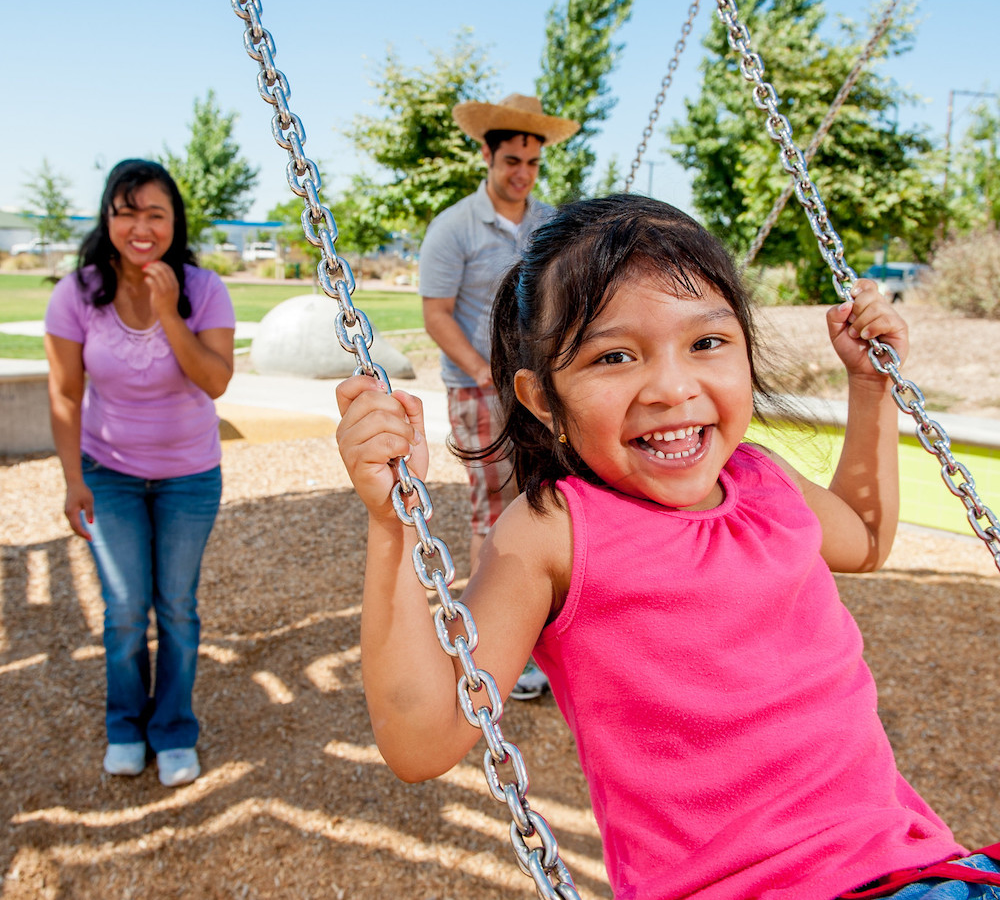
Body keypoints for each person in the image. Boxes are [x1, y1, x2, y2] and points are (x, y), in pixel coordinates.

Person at [336, 195, 1000, 899]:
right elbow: (422, 740)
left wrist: (870, 387)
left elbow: (864, 539)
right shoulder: (556, 530)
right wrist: (393, 525)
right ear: (540, 397)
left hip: (911, 867)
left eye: (706, 343)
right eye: (614, 356)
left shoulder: (762, 478)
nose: (673, 388)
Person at [45, 159, 235, 788]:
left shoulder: (203, 288)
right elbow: (66, 395)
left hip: (189, 476)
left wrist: (168, 311)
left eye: (155, 212)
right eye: (126, 212)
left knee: (176, 607)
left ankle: (174, 728)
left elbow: (214, 382)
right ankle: (126, 724)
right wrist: (74, 479)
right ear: (108, 219)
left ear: (174, 221)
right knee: (125, 607)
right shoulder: (77, 292)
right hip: (110, 473)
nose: (141, 225)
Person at [420, 93, 578, 700]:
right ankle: (489, 644)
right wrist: (485, 371)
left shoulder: (550, 224)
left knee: (549, 499)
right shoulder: (454, 227)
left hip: (540, 386)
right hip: (477, 385)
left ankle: (544, 628)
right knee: (493, 507)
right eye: (512, 159)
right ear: (486, 154)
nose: (523, 173)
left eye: (533, 163)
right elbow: (436, 316)